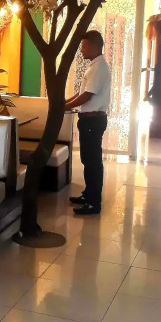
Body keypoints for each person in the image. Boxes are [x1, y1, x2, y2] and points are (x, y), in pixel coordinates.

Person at [65, 30, 111, 216]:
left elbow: (87, 95)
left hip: (93, 120)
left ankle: (93, 203)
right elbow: (81, 92)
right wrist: (65, 103)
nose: (81, 50)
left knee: (92, 162)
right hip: (89, 120)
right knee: (88, 160)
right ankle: (88, 195)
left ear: (94, 46)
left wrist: (64, 107)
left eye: (84, 46)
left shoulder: (99, 68)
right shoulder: (94, 66)